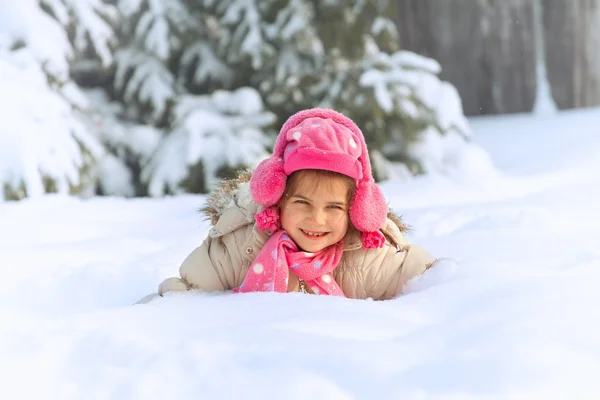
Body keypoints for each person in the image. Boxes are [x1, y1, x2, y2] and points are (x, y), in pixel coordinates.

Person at [137, 108, 437, 303]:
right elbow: (184, 298)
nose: (316, 219)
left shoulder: (365, 254)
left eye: (334, 207)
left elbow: (432, 284)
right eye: (302, 202)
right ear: (277, 197)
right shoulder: (242, 244)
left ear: (356, 209)